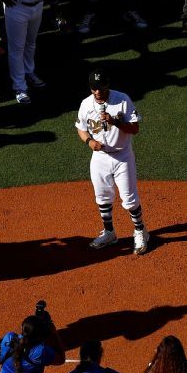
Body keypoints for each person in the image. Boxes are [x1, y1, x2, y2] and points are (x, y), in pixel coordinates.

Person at [77, 70, 149, 254]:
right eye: (94, 88)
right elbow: (81, 129)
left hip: (122, 156)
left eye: (100, 88)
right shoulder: (86, 104)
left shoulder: (122, 100)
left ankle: (140, 231)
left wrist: (115, 122)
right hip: (100, 158)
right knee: (102, 197)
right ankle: (109, 233)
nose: (97, 92)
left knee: (130, 199)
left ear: (107, 85)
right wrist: (89, 142)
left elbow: (135, 128)